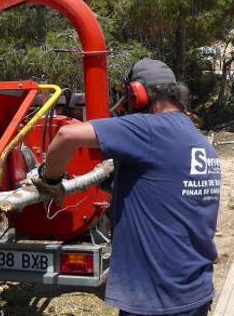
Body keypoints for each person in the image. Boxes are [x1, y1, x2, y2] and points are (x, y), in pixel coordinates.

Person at [31, 58, 219, 316]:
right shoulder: (197, 138)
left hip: (156, 297)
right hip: (193, 289)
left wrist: (49, 180)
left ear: (137, 94)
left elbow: (67, 136)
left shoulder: (150, 129)